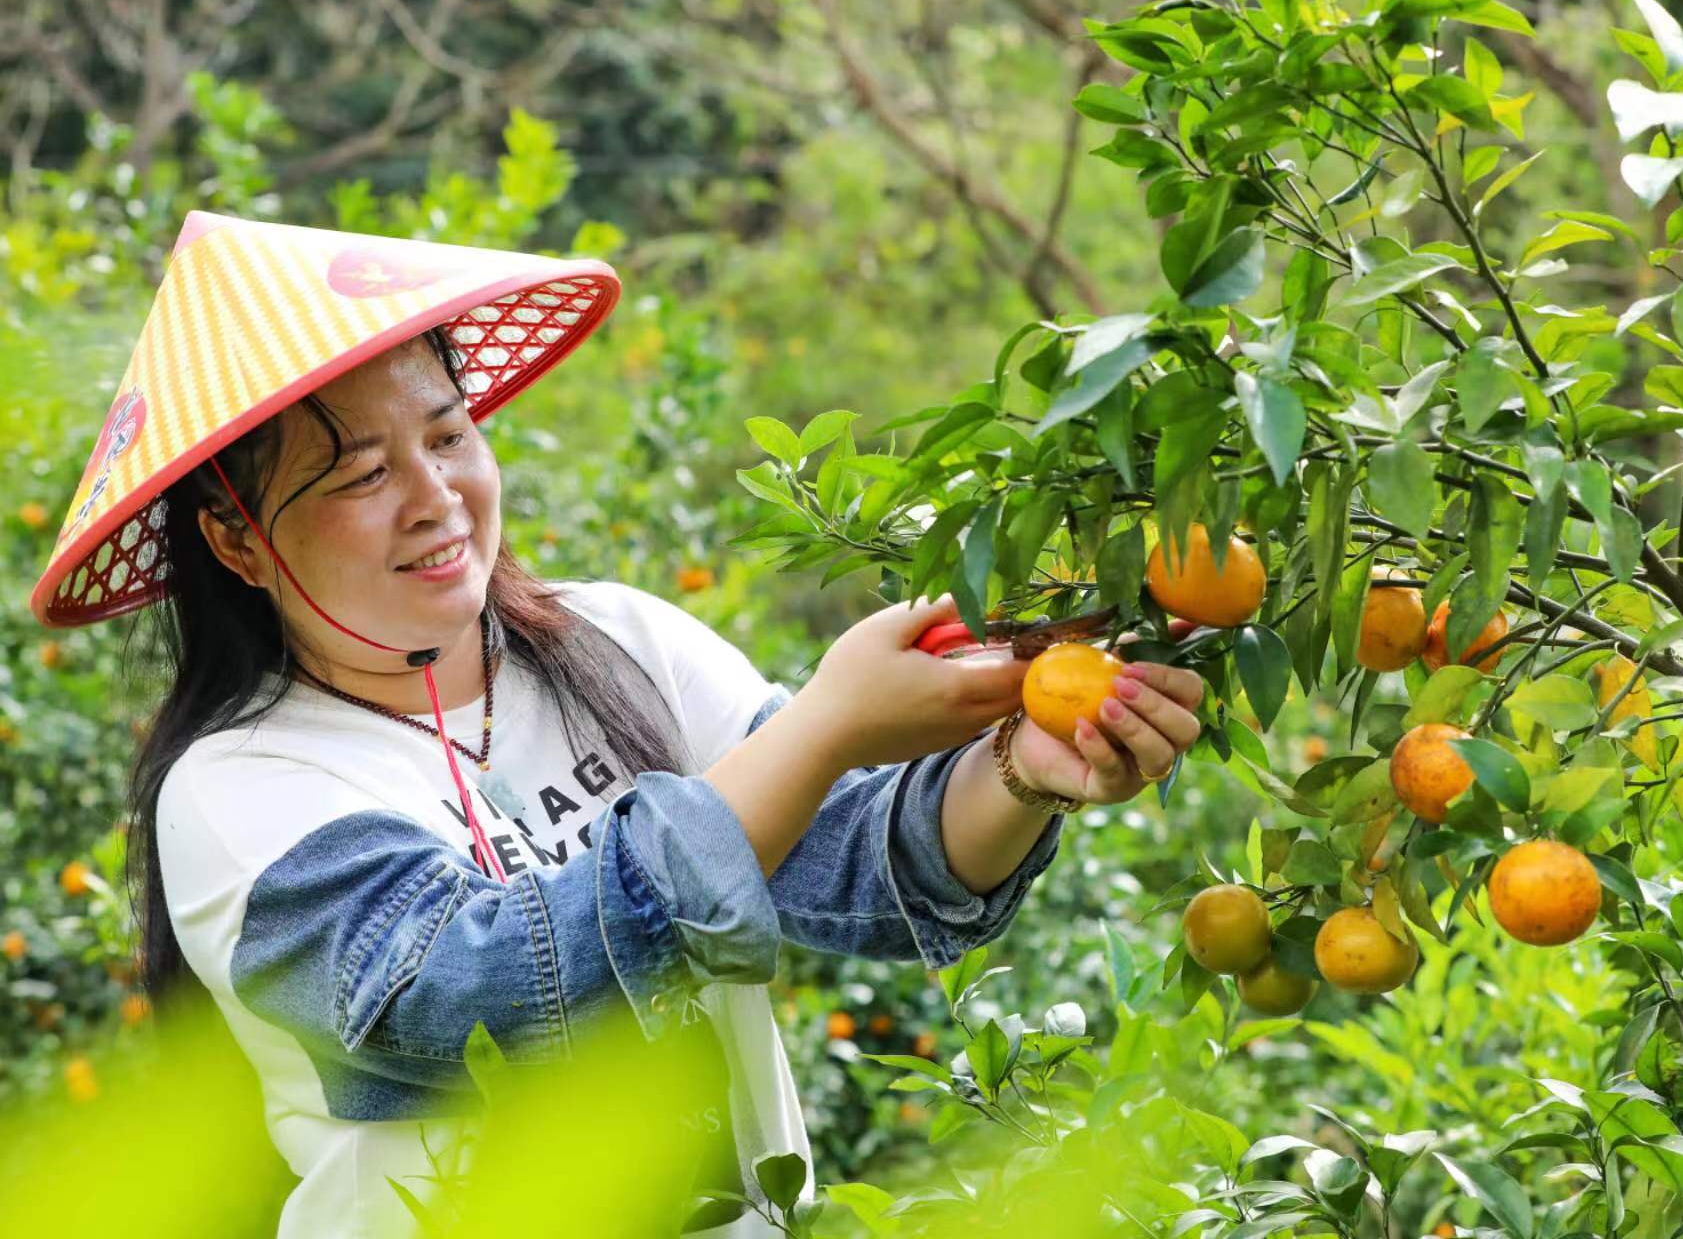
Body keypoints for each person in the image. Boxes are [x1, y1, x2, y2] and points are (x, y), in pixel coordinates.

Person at [27, 212, 1206, 1238]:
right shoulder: (243, 788)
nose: (436, 497)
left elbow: (856, 864)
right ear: (237, 540)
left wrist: (1023, 766)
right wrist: (831, 724)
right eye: (357, 474)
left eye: (447, 435)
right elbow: (483, 989)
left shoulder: (617, 642)